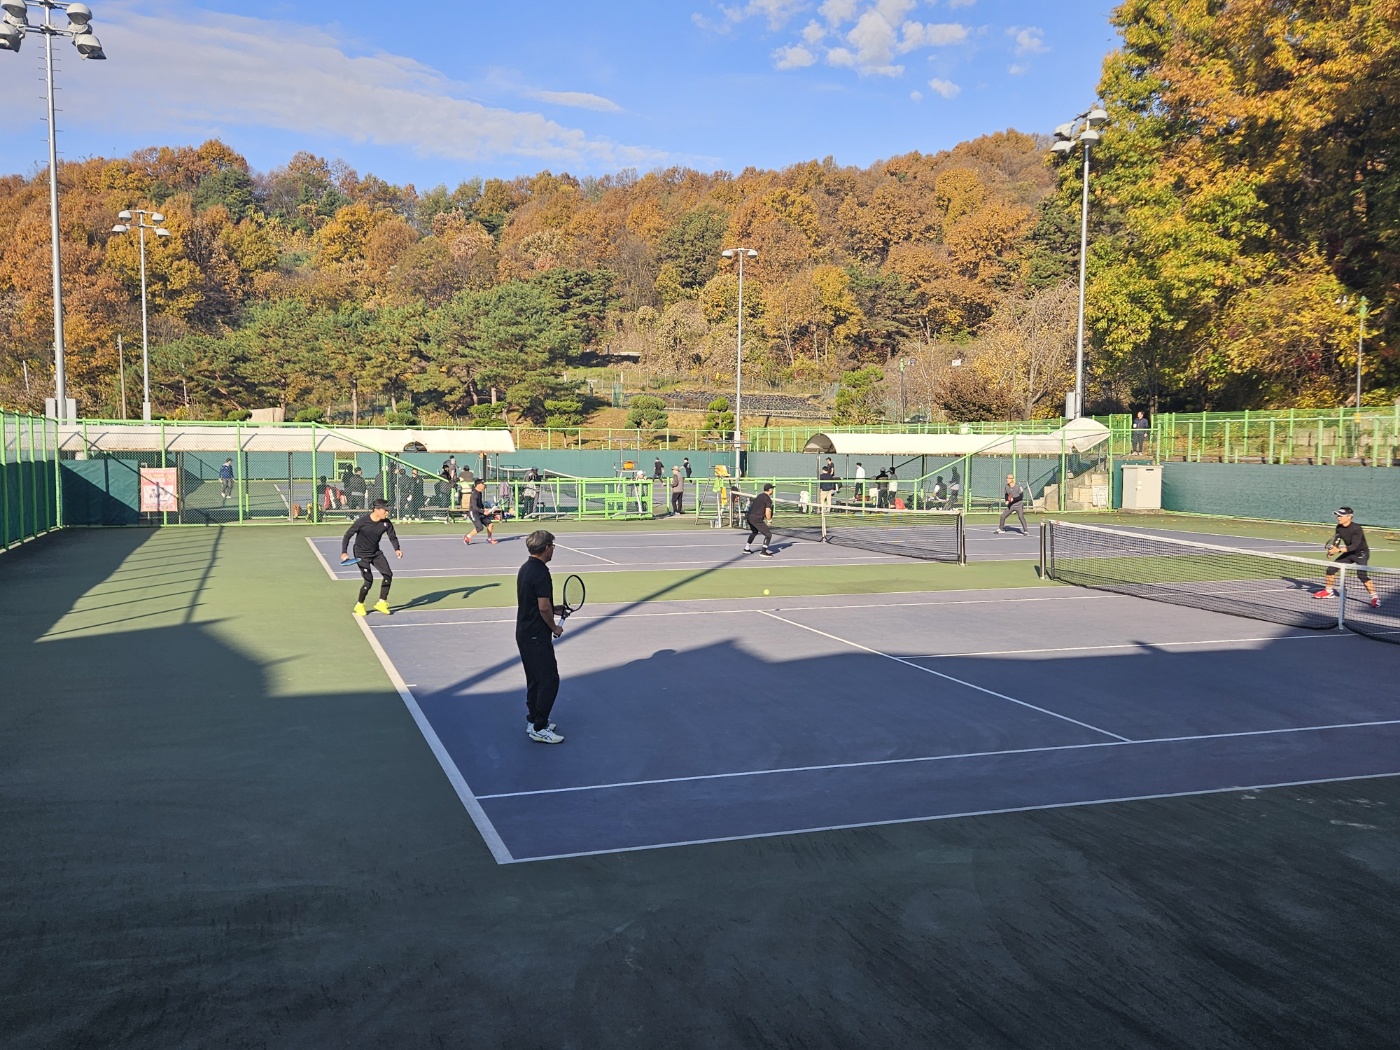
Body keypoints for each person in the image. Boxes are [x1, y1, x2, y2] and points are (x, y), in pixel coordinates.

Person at [517, 530, 565, 744]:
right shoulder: (541, 572)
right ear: (546, 548)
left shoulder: (525, 568)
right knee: (550, 680)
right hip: (537, 635)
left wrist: (554, 609)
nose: (553, 549)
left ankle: (533, 719)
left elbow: (538, 603)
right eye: (552, 546)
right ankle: (539, 726)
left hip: (524, 633)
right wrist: (554, 627)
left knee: (535, 679)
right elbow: (543, 607)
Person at [342, 499, 402, 616]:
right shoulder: (362, 521)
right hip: (361, 554)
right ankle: (359, 604)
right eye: (385, 511)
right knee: (369, 580)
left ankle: (381, 602)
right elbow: (348, 535)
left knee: (388, 574)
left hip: (375, 553)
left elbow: (392, 537)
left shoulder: (386, 523)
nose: (387, 513)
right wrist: (344, 552)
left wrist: (397, 549)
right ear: (377, 510)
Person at [1313, 506, 1381, 607]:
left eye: (1341, 516)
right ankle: (1328, 592)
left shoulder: (1356, 528)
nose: (1339, 518)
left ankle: (1375, 598)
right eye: (1338, 516)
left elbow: (1354, 546)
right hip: (1349, 553)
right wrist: (1332, 551)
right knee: (1331, 569)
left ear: (1349, 517)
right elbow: (1337, 540)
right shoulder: (1339, 527)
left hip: (1361, 553)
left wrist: (1339, 550)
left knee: (1361, 575)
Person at [743, 483, 776, 557]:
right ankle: (763, 552)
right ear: (769, 490)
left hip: (749, 517)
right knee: (768, 535)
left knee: (754, 531)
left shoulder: (759, 496)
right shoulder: (767, 499)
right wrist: (769, 520)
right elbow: (768, 511)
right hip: (756, 519)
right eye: (772, 489)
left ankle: (746, 548)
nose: (773, 490)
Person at [464, 479, 498, 544]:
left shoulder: (479, 493)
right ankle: (468, 536)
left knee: (490, 524)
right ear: (478, 485)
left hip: (479, 512)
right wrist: (483, 512)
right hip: (473, 513)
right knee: (480, 527)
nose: (484, 485)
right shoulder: (474, 494)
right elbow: (474, 506)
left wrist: (484, 509)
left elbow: (480, 504)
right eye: (482, 484)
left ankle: (489, 539)